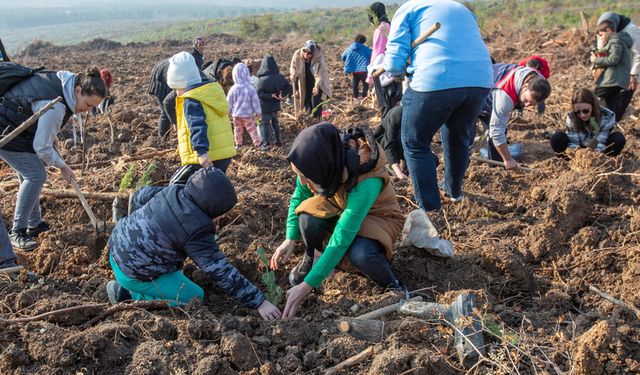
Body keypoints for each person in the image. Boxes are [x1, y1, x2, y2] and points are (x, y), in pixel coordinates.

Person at [106, 167, 282, 320]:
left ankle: (138, 277)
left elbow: (139, 195)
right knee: (195, 297)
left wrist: (135, 229)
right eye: (222, 213)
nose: (222, 218)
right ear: (212, 208)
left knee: (174, 263)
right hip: (132, 274)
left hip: (115, 247)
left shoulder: (172, 191)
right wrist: (259, 302)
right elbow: (220, 271)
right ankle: (128, 294)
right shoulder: (195, 230)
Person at [270, 123, 406, 318]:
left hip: (378, 217)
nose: (304, 182)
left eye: (306, 177)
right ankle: (314, 257)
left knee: (361, 254)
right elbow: (298, 196)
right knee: (307, 218)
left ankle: (394, 286)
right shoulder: (318, 164)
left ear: (323, 166)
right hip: (339, 206)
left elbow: (343, 235)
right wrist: (290, 238)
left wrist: (308, 286)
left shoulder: (366, 178)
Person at [383, 0, 493, 211]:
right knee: (458, 136)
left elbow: (394, 64)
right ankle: (454, 193)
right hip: (479, 80)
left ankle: (430, 210)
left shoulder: (409, 9)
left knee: (415, 142)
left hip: (436, 78)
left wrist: (399, 71)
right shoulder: (462, 8)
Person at [0, 67, 107, 251]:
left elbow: (41, 122)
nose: (86, 111)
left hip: (18, 126)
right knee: (35, 175)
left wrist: (50, 135)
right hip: (6, 129)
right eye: (88, 105)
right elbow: (41, 147)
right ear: (79, 91)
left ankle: (34, 224)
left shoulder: (66, 81)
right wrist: (62, 166)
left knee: (30, 172)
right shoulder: (56, 106)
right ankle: (17, 232)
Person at [166, 52, 236, 185]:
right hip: (223, 155)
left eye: (177, 88)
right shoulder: (211, 92)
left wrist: (201, 152)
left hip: (204, 157)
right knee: (211, 187)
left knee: (175, 184)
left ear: (181, 83)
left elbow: (198, 126)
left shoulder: (192, 100)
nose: (176, 92)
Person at [481, 66, 551, 168]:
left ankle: (497, 163)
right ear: (525, 87)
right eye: (526, 100)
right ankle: (495, 171)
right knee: (494, 133)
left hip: (494, 82)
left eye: (531, 103)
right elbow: (496, 131)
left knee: (498, 132)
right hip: (477, 92)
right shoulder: (505, 96)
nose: (526, 105)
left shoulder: (538, 80)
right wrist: (508, 159)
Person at [550, 88, 625, 157]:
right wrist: (580, 153)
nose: (582, 115)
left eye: (586, 111)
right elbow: (573, 141)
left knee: (618, 138)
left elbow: (602, 139)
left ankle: (608, 161)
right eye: (578, 112)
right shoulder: (571, 117)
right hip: (578, 151)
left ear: (593, 106)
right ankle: (565, 164)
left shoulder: (607, 116)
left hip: (599, 150)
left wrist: (598, 150)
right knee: (557, 138)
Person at [597, 12, 640, 121]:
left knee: (621, 101)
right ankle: (600, 126)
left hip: (629, 72)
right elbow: (601, 48)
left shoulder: (632, 31)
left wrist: (633, 75)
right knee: (605, 101)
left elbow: (638, 53)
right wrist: (597, 66)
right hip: (612, 72)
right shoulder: (604, 28)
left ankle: (611, 125)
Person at [256, 54, 292, 148]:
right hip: (275, 106)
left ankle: (266, 143)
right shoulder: (280, 78)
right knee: (275, 123)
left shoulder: (261, 80)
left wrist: (269, 95)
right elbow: (289, 87)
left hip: (265, 107)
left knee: (266, 125)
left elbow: (259, 93)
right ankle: (278, 141)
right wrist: (282, 94)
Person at [290, 40, 331, 118]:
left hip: (316, 81)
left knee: (315, 100)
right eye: (305, 51)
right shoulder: (297, 54)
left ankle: (318, 118)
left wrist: (316, 86)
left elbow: (320, 74)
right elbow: (293, 66)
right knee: (306, 99)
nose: (306, 54)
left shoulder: (318, 58)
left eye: (309, 53)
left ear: (313, 53)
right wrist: (293, 73)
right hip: (304, 81)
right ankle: (309, 117)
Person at [226, 63, 263, 150]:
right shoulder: (250, 88)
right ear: (247, 74)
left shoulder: (233, 89)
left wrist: (228, 112)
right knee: (252, 129)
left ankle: (238, 144)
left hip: (236, 115)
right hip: (247, 114)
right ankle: (257, 143)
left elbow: (228, 102)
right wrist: (258, 113)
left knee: (237, 129)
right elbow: (255, 102)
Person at [148, 58, 175, 137]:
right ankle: (163, 139)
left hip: (167, 76)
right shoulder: (177, 77)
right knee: (165, 113)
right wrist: (174, 122)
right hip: (160, 82)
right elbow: (167, 103)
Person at [341, 34, 372, 98]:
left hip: (354, 70)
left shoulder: (349, 48)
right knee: (366, 84)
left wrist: (349, 62)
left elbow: (343, 56)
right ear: (363, 41)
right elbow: (371, 56)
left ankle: (356, 97)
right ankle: (364, 97)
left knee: (355, 85)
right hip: (363, 70)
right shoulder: (366, 49)